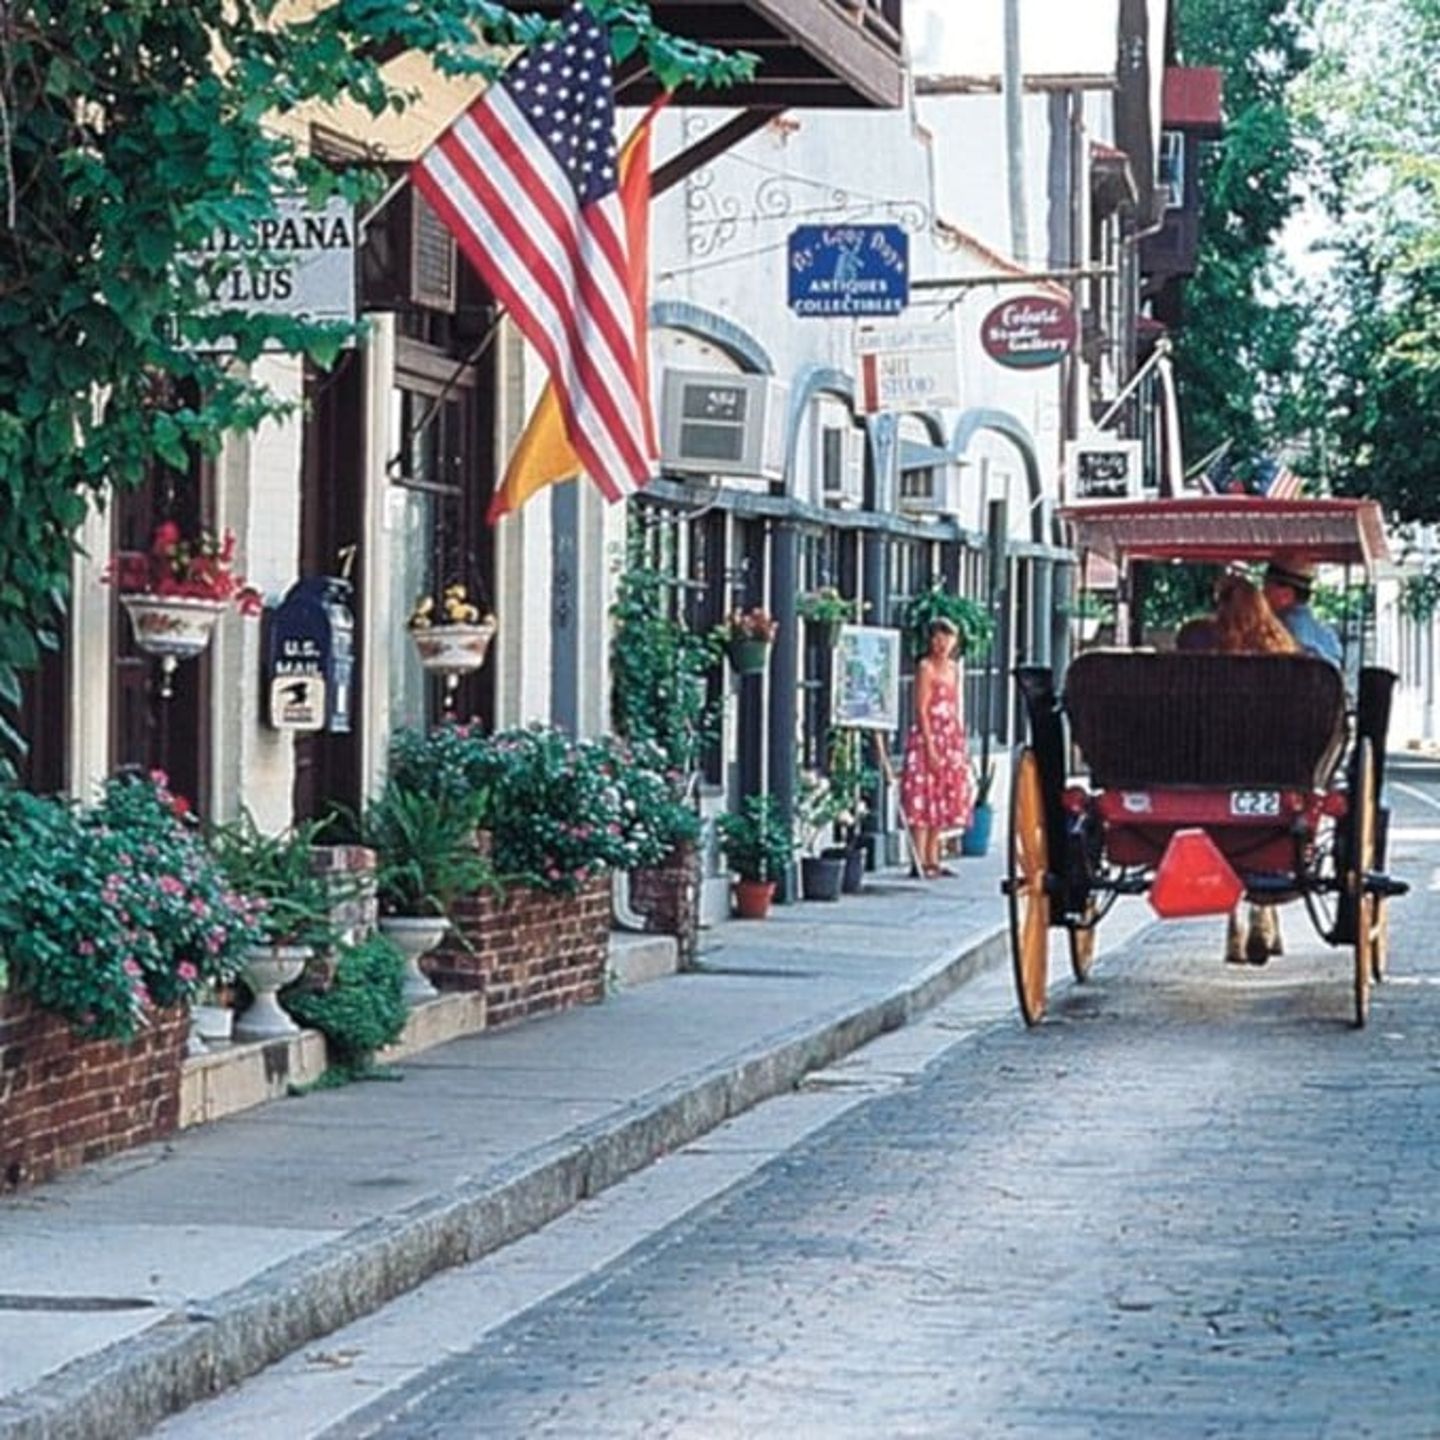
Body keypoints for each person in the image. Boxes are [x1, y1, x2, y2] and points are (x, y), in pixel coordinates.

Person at [1208, 574, 1296, 963]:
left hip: (1211, 762)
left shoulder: (1205, 649)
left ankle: (1234, 923)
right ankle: (1261, 914)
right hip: (1271, 763)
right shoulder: (1281, 650)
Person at [901, 617, 974, 878]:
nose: (942, 644)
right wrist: (930, 745)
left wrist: (958, 742)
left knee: (942, 796)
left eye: (947, 638)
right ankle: (919, 859)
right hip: (929, 735)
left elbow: (956, 705)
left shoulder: (954, 668)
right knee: (923, 794)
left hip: (949, 735)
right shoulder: (925, 667)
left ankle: (934, 856)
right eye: (937, 638)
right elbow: (921, 709)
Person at [1262, 556, 1342, 666]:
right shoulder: (1328, 637)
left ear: (1286, 595)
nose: (1262, 595)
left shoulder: (1275, 636)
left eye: (1267, 589)